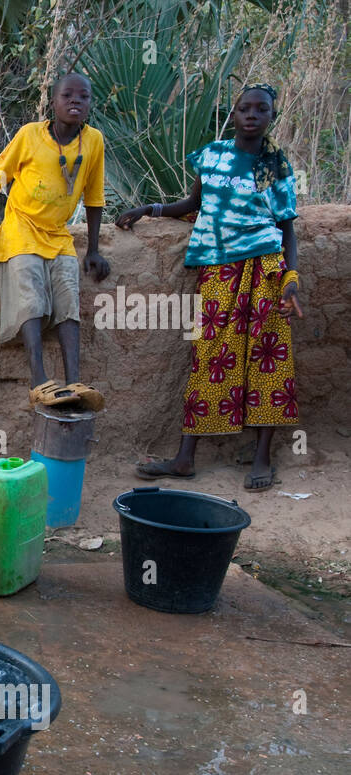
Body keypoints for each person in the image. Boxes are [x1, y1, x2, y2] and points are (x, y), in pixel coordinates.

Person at [118, 83, 302, 492]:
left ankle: (261, 458)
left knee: (267, 361)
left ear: (272, 117)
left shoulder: (276, 165)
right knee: (211, 357)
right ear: (233, 114)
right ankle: (184, 459)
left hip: (266, 268)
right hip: (219, 270)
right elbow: (193, 206)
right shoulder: (212, 155)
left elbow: (286, 227)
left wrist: (291, 280)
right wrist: (149, 209)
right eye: (244, 108)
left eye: (261, 110)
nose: (252, 115)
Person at [0, 72, 111, 411]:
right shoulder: (30, 135)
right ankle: (39, 381)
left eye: (83, 97)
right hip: (22, 227)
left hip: (58, 234)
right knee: (29, 289)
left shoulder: (94, 142)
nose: (76, 101)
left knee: (67, 293)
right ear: (53, 103)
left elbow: (95, 198)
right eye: (67, 96)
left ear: (90, 104)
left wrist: (93, 249)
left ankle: (74, 381)